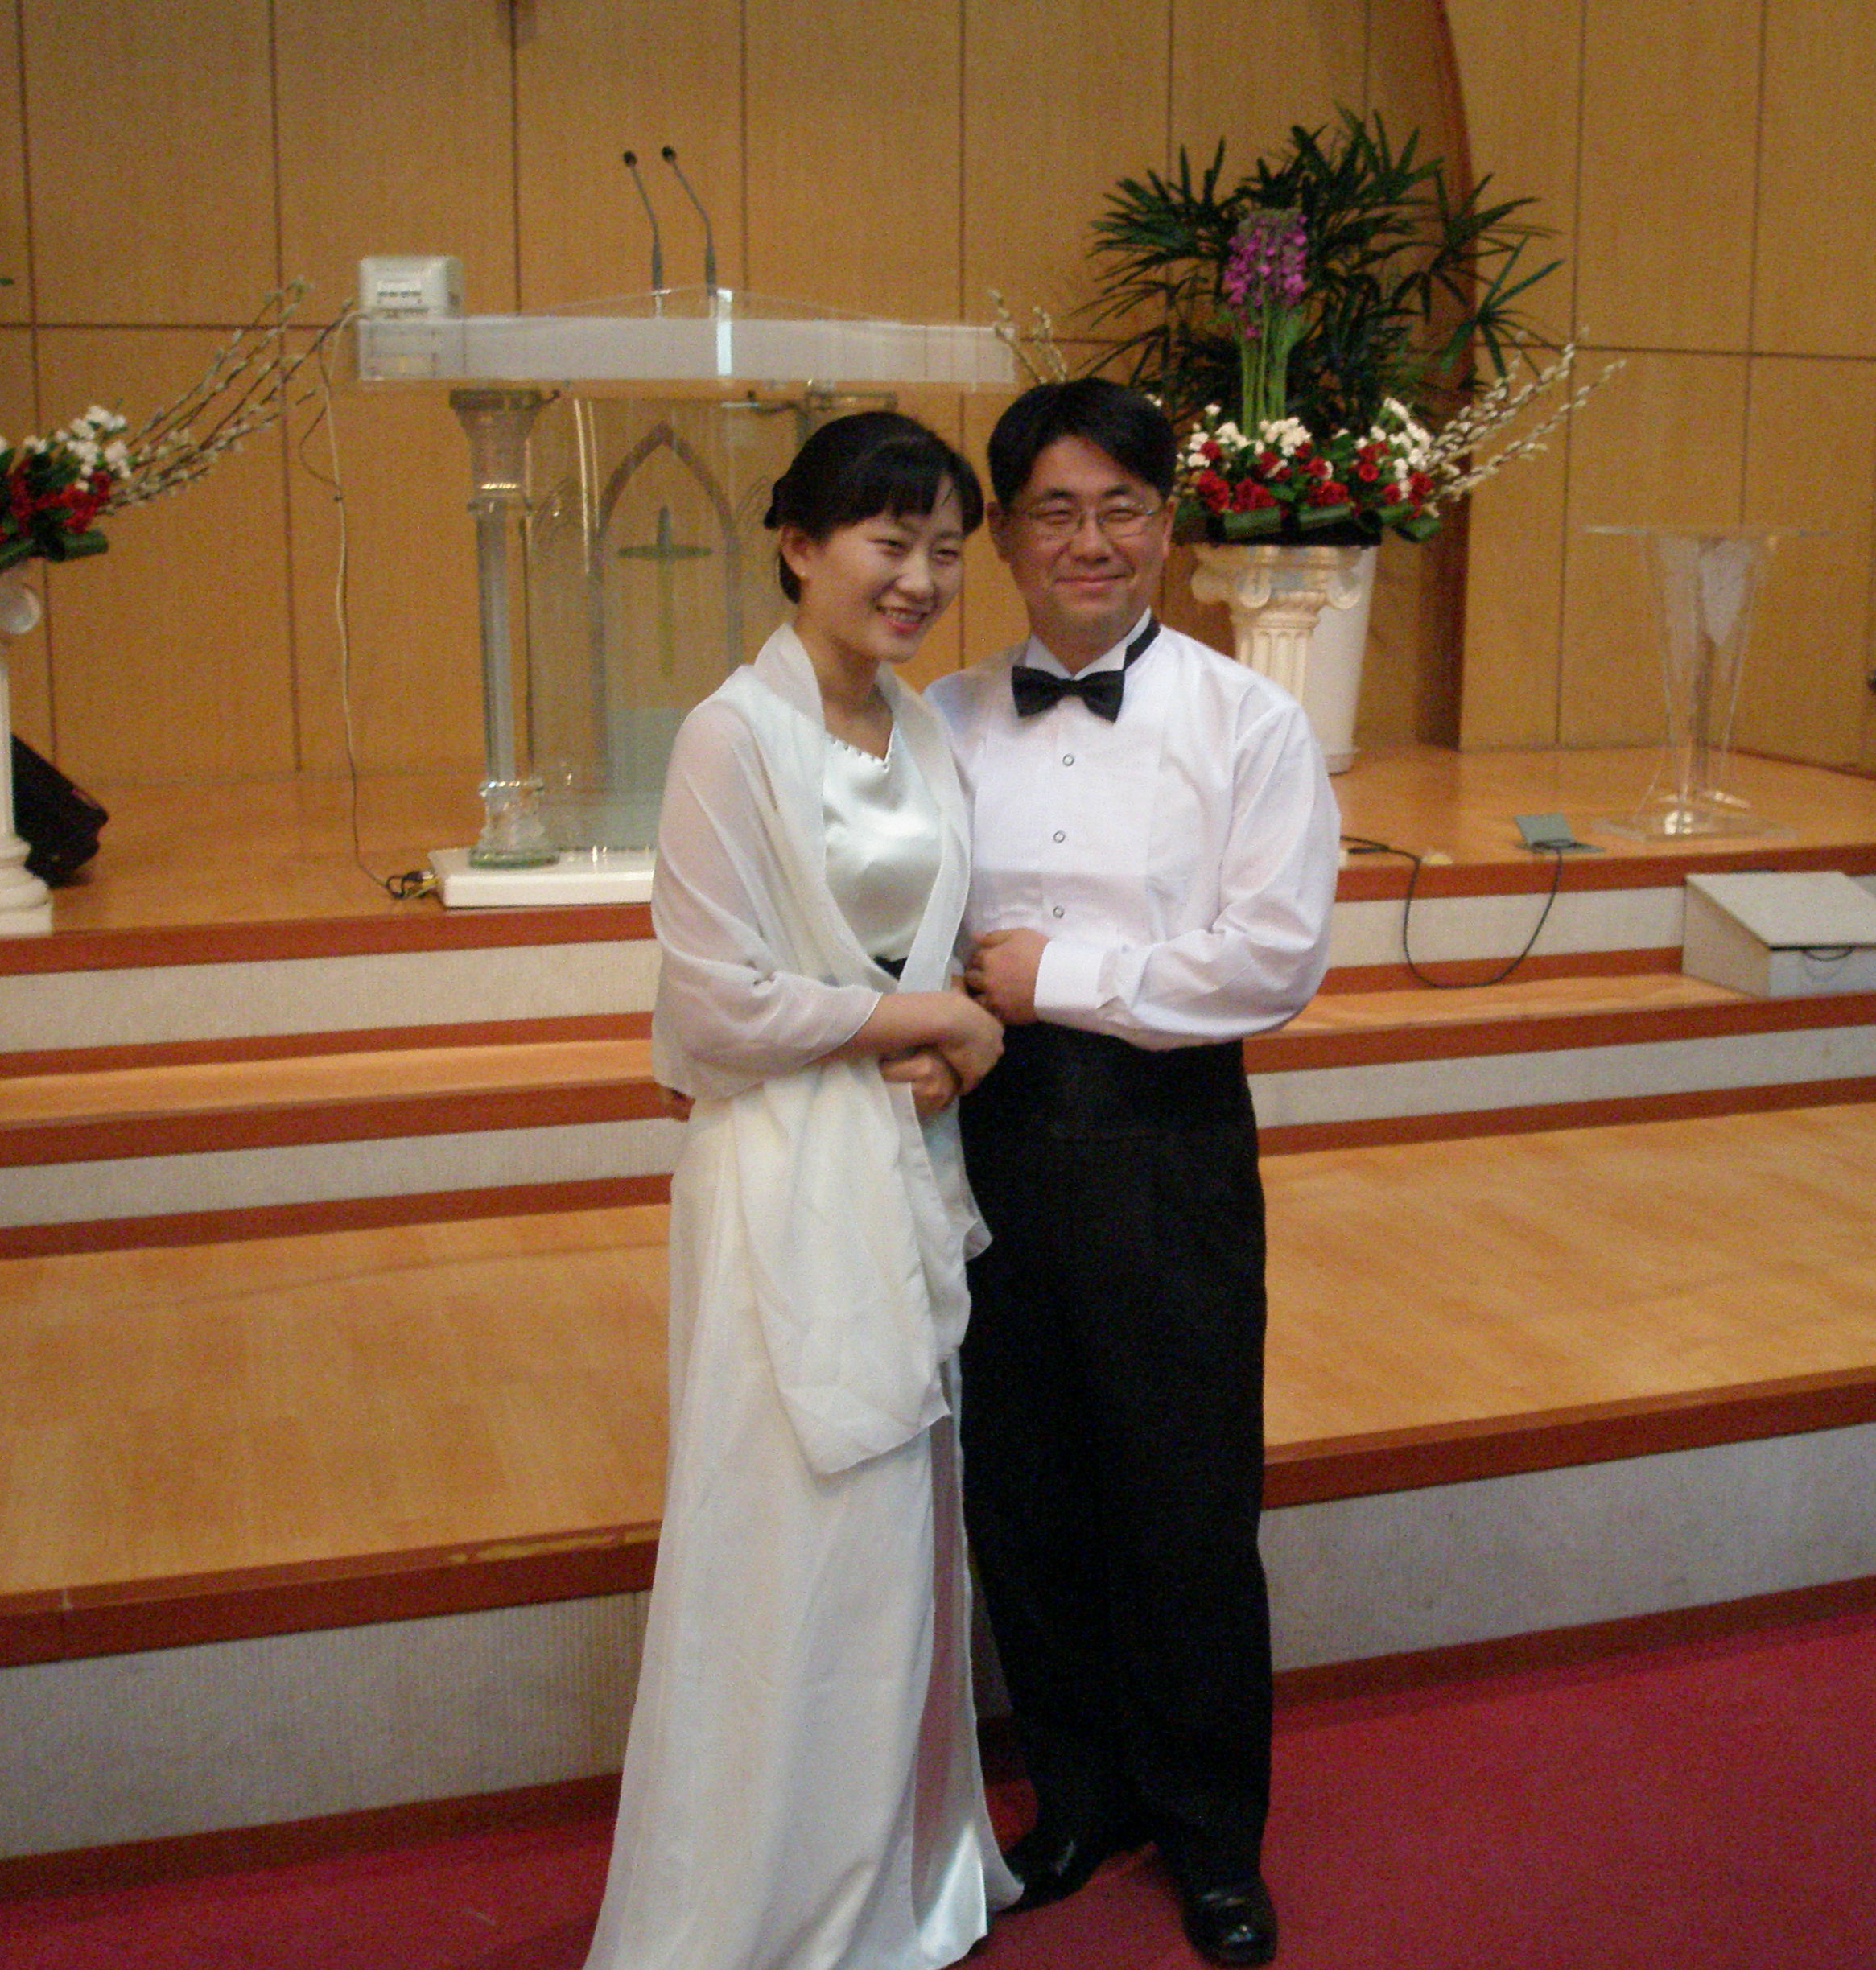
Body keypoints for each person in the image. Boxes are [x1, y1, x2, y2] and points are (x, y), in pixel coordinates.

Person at [585, 410, 1018, 1970]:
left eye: (946, 552)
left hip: (897, 1165)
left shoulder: (920, 731)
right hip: (778, 1177)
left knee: (893, 1537)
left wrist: (946, 1048)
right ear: (798, 544)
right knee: (787, 1533)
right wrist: (929, 1020)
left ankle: (887, 1882)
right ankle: (757, 1912)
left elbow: (930, 954)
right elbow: (715, 1007)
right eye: (890, 543)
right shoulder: (732, 735)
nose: (921, 579)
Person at [929, 379, 1339, 1968]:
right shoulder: (941, 720)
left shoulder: (1250, 723)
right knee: (1025, 1493)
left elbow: (1271, 961)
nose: (1088, 540)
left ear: (1168, 526)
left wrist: (1064, 977)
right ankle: (1078, 1798)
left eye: (1120, 508)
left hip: (1165, 1141)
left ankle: (1214, 1836)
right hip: (981, 1134)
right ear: (1004, 535)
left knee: (1184, 1500)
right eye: (1055, 509)